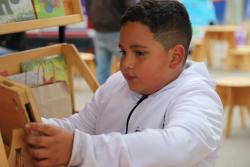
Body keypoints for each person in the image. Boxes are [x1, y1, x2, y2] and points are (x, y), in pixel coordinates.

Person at [24, 0, 223, 166]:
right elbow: (79, 126)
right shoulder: (117, 83)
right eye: (123, 52)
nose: (125, 64)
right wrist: (28, 126)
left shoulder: (199, 97)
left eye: (140, 53)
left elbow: (176, 146)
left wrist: (79, 149)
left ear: (175, 56)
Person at [85, 0, 136, 84]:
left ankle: (103, 96)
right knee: (130, 68)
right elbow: (131, 8)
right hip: (117, 30)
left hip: (99, 30)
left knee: (102, 70)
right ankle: (131, 94)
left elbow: (88, 6)